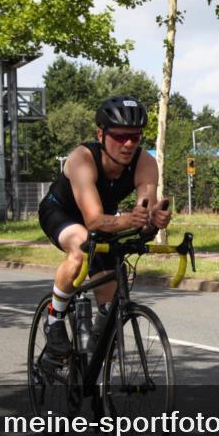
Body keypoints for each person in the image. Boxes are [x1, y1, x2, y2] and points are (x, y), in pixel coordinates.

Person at [38, 95, 171, 359]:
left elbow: (144, 209)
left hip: (105, 218)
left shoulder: (144, 163)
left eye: (135, 137)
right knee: (81, 246)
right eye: (121, 137)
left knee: (110, 291)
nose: (129, 144)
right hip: (61, 213)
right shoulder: (82, 159)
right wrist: (128, 220)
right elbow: (94, 221)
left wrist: (152, 221)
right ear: (101, 134)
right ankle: (54, 319)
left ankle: (99, 348)